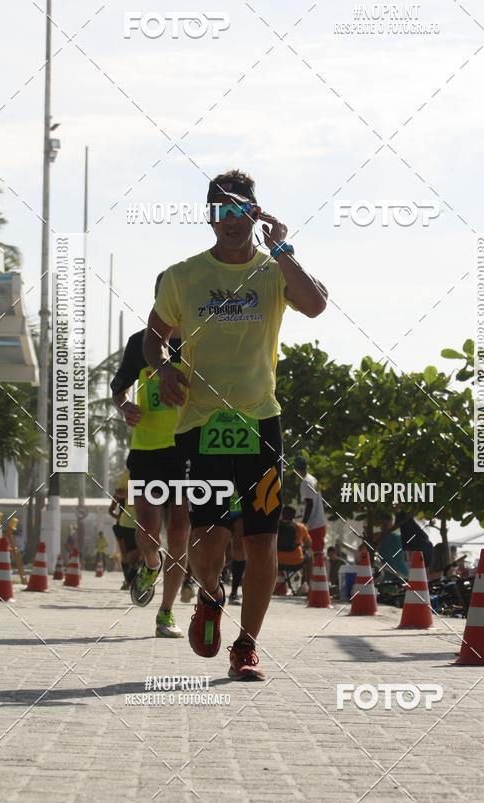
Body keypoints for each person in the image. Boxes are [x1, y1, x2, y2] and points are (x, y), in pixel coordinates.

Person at [143, 168, 327, 680]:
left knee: (261, 539)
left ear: (254, 211)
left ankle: (246, 646)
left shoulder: (273, 271)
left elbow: (315, 306)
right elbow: (153, 337)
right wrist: (163, 368)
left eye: (239, 209)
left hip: (260, 421)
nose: (229, 219)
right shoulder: (183, 276)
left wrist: (284, 249)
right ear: (210, 217)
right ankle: (210, 594)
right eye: (219, 210)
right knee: (208, 538)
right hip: (201, 422)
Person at [111, 273, 191, 639]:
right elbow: (119, 390)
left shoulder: (199, 341)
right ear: (159, 297)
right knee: (146, 532)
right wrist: (125, 406)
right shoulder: (139, 343)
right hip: (147, 450)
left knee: (179, 534)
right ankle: (150, 564)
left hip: (189, 449)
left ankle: (166, 612)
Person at [109, 470, 141, 590]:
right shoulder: (128, 474)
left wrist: (114, 511)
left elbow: (118, 494)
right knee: (132, 555)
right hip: (129, 523)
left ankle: (128, 580)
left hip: (125, 522)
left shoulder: (127, 474)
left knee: (127, 554)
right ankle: (129, 580)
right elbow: (118, 493)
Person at [296, 457, 327, 555]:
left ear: (296, 470)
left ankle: (316, 570)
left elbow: (309, 503)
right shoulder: (313, 479)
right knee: (315, 553)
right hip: (319, 523)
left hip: (314, 525)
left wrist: (304, 523)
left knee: (315, 554)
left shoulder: (306, 482)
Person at [277, 506, 312, 587]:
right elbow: (309, 544)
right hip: (296, 561)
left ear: (282, 515)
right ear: (294, 516)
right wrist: (301, 549)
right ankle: (308, 584)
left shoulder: (275, 526)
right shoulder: (300, 527)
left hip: (277, 561)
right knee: (310, 556)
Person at [375, 513, 409, 579]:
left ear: (391, 524)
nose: (385, 526)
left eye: (386, 524)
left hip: (401, 573)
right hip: (389, 573)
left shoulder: (397, 537)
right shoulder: (377, 537)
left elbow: (406, 554)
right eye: (383, 524)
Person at [228, 494, 245, 606]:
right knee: (219, 549)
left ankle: (234, 592)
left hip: (240, 505)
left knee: (239, 552)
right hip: (220, 496)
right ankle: (209, 587)